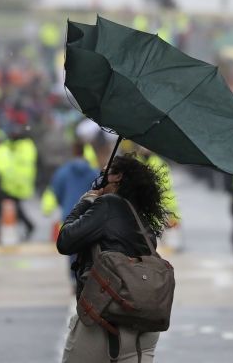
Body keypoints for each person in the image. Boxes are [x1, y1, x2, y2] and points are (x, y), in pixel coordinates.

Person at [57, 154, 172, 363]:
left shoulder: (108, 204)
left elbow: (65, 241)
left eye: (104, 173)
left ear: (117, 177)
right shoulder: (141, 218)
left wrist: (84, 203)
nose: (100, 178)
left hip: (104, 324)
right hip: (143, 332)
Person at [42, 140, 99, 291]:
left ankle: (74, 278)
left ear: (73, 152)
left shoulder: (63, 172)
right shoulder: (93, 171)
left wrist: (61, 205)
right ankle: (87, 274)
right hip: (90, 214)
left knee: (72, 247)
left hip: (69, 214)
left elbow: (55, 191)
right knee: (88, 247)